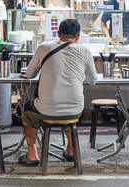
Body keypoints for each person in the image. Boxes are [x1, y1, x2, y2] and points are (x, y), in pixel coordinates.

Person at [19, 18, 97, 166]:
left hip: (46, 109)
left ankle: (32, 154)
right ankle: (71, 150)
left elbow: (29, 75)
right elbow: (93, 80)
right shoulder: (85, 51)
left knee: (27, 113)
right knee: (67, 114)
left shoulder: (43, 47)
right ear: (78, 36)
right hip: (75, 110)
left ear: (57, 33)